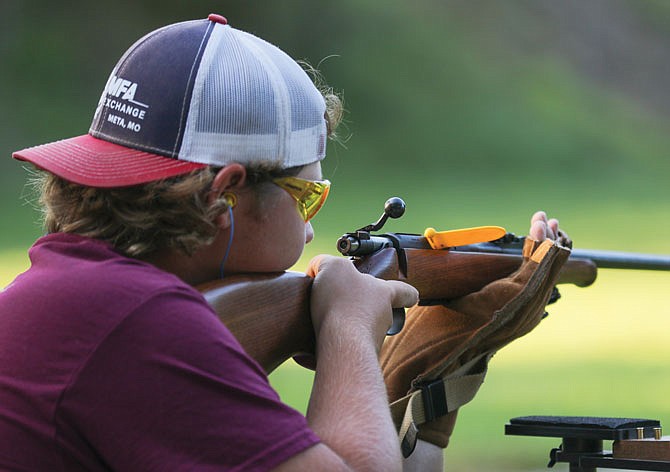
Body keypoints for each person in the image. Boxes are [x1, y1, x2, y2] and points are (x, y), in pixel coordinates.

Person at [0, 14, 569, 471]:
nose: (310, 230)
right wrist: (348, 326)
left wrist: (423, 395)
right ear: (223, 195)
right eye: (305, 196)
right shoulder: (143, 322)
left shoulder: (70, 292)